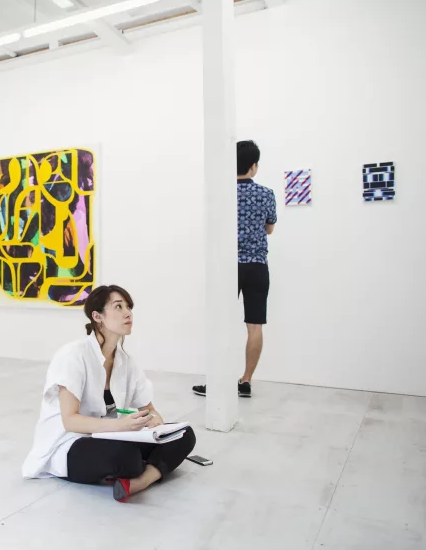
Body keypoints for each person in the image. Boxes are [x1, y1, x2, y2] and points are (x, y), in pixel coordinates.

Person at [22, 285, 197, 502]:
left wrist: (154, 421)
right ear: (98, 317)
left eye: (129, 308)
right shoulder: (73, 356)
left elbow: (149, 409)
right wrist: (122, 426)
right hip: (70, 443)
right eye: (118, 307)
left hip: (108, 436)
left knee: (183, 435)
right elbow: (70, 421)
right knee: (126, 458)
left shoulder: (126, 362)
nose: (128, 313)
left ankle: (138, 482)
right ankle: (148, 467)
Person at [194, 140, 277, 399]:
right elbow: (269, 228)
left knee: (220, 325)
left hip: (227, 267)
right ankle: (246, 380)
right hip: (256, 266)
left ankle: (218, 381)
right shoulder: (266, 194)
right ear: (253, 166)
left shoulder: (222, 193)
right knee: (255, 325)